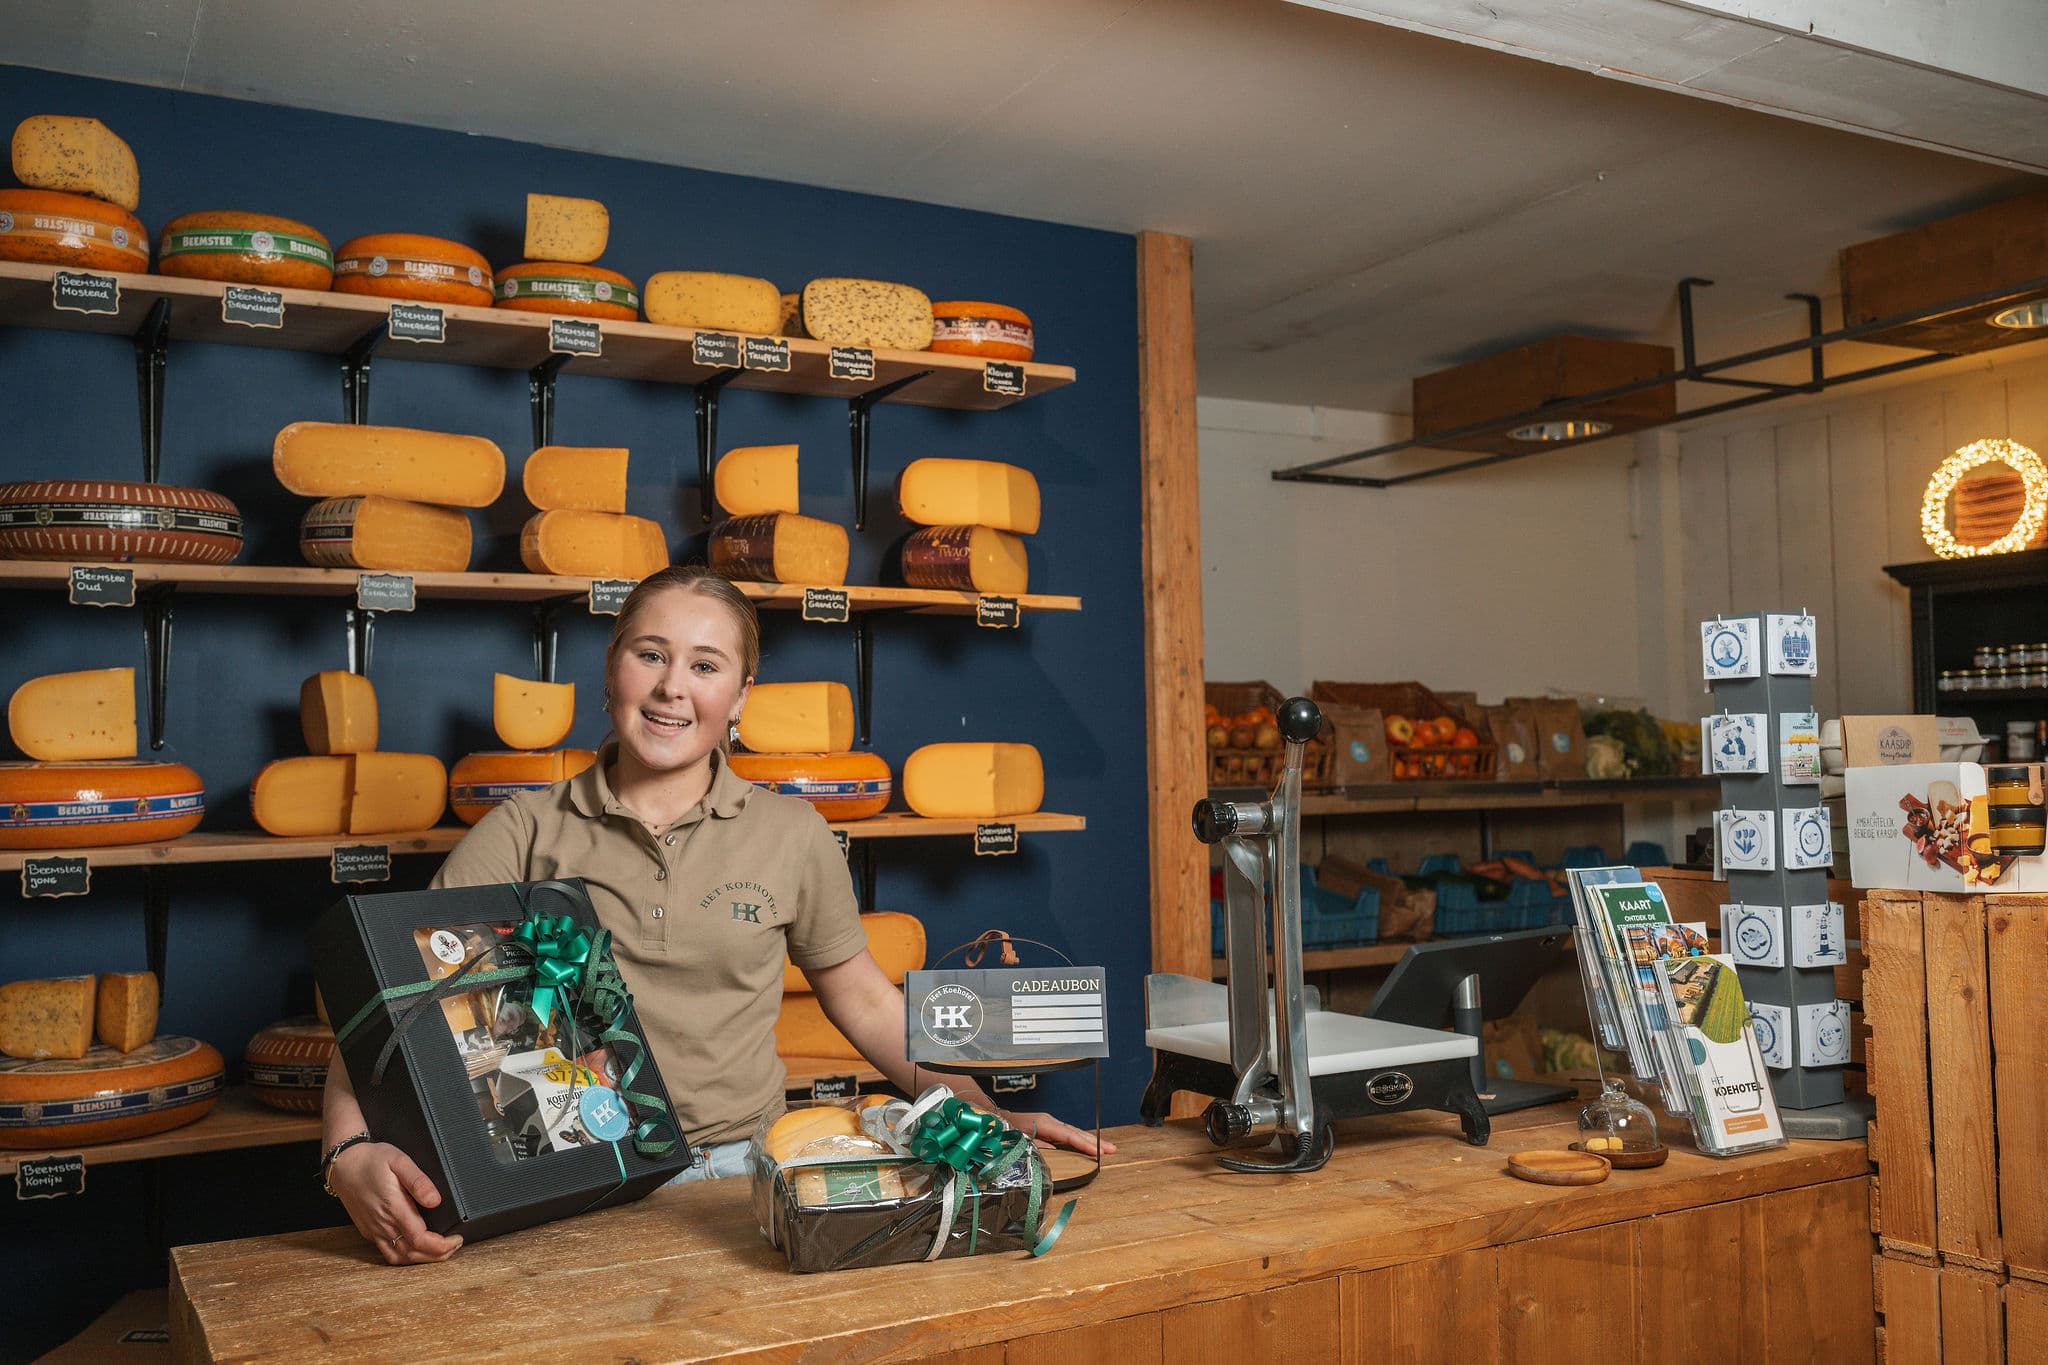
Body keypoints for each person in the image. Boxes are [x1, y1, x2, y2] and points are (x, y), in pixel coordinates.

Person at [320, 565, 1113, 1264]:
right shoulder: (525, 831)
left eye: (705, 664)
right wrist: (347, 1150)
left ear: (738, 697)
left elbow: (866, 999)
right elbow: (390, 1003)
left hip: (748, 1180)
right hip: (572, 1183)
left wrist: (980, 1114)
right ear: (612, 670)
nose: (673, 687)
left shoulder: (792, 833)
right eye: (651, 654)